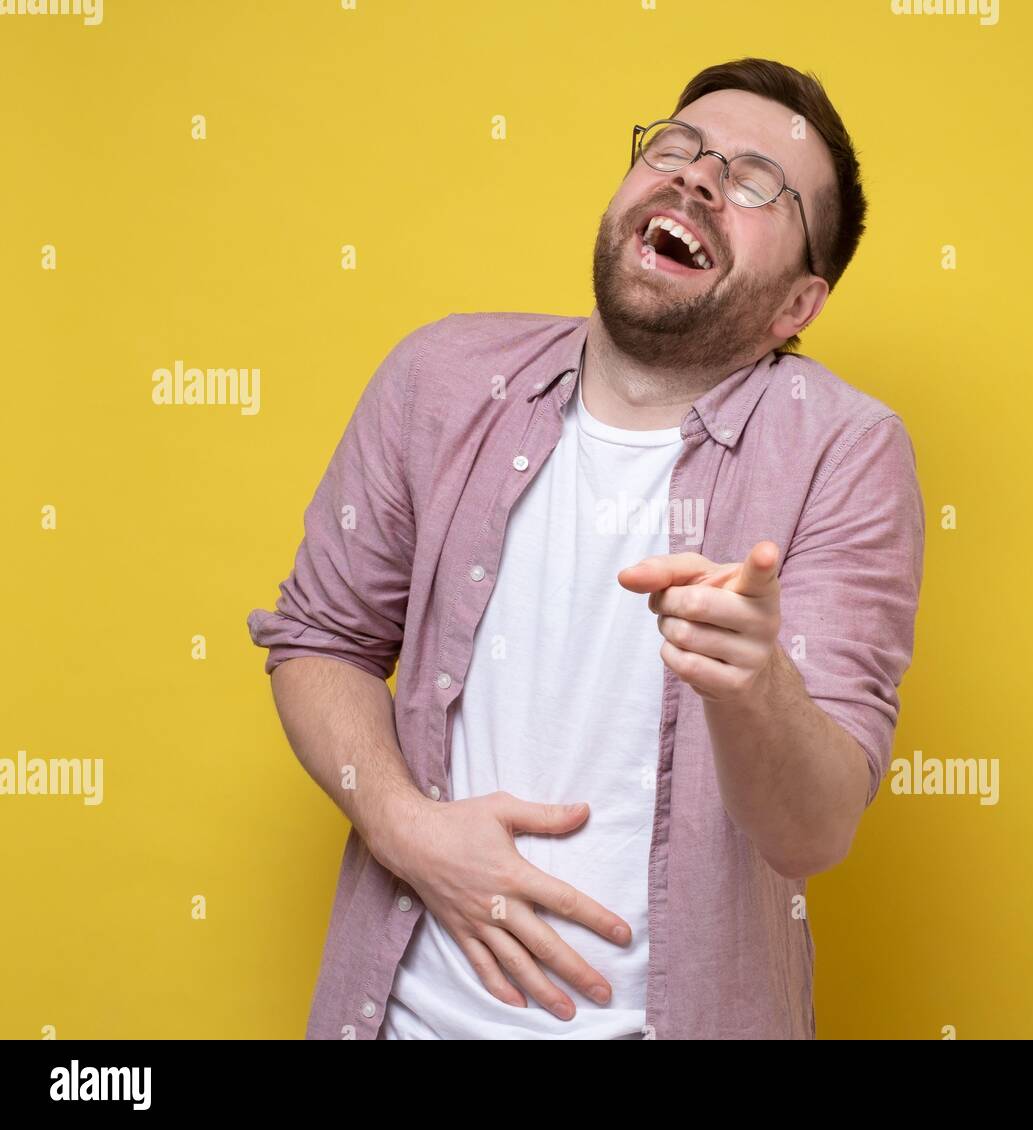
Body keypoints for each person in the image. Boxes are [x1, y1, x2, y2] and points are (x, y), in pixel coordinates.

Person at [247, 56, 925, 1040]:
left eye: (753, 181)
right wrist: (405, 826)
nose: (696, 177)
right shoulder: (437, 377)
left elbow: (813, 830)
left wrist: (753, 683)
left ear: (795, 307)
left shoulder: (845, 449)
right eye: (677, 146)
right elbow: (318, 639)